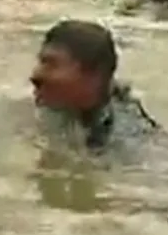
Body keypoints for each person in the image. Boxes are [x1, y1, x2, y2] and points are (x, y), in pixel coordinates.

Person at [30, 19, 159, 152]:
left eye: (51, 64)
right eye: (41, 62)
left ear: (93, 76)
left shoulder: (125, 137)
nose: (35, 75)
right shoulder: (51, 108)